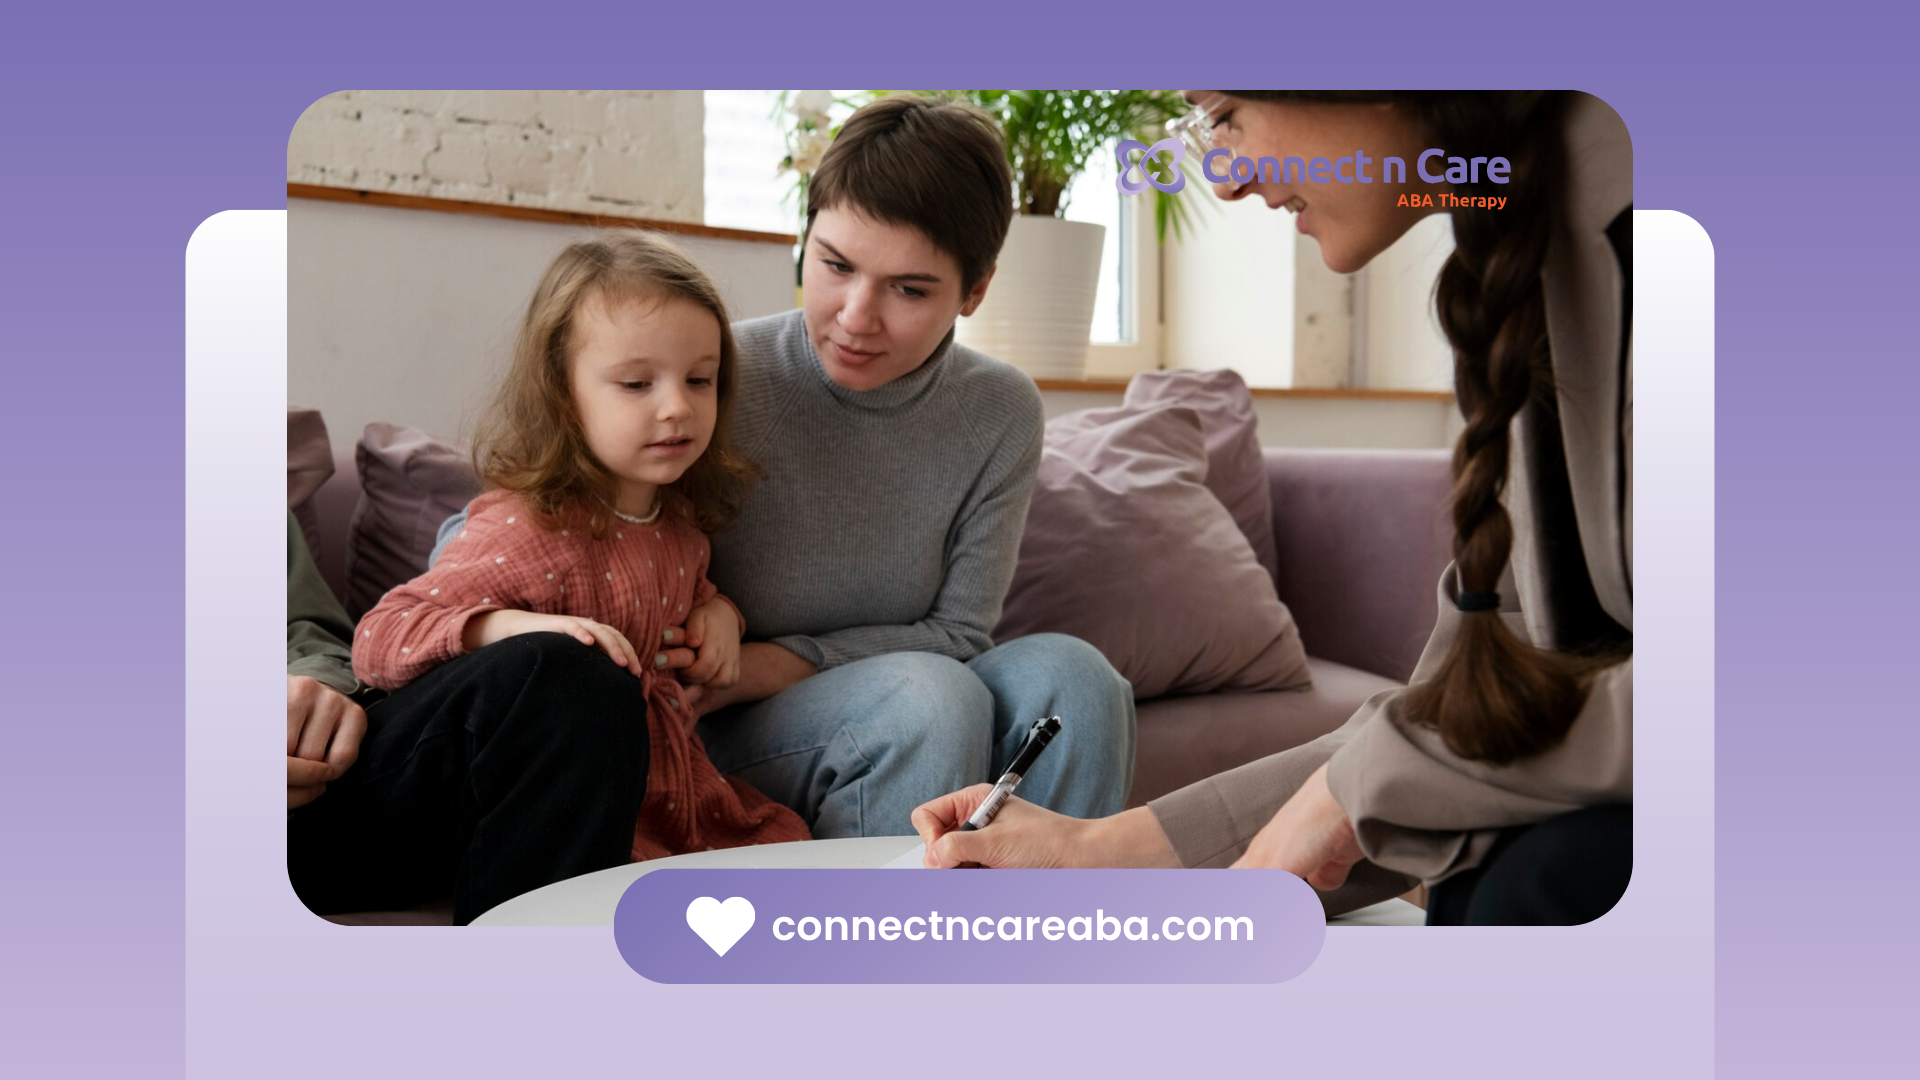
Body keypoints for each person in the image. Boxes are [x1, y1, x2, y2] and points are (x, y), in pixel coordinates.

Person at [915, 90, 1633, 926]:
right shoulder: (1536, 236)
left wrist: (1349, 794)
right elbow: (1456, 718)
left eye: (1224, 113)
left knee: (1543, 876)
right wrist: (1099, 852)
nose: (1223, 179)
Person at [433, 95, 1137, 839]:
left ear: (976, 290)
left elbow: (961, 633)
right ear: (806, 240)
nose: (856, 317)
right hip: (711, 720)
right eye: (834, 265)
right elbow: (492, 533)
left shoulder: (1000, 411)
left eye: (909, 289)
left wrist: (772, 657)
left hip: (836, 683)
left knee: (1077, 683)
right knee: (928, 697)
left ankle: (1053, 933)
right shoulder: (709, 375)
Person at [292, 233, 808, 925]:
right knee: (564, 672)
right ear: (564, 397)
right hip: (513, 779)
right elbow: (380, 639)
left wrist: (721, 617)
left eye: (699, 379)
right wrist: (506, 626)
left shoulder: (678, 525)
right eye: (636, 383)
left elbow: (687, 596)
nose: (677, 408)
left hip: (657, 785)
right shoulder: (526, 526)